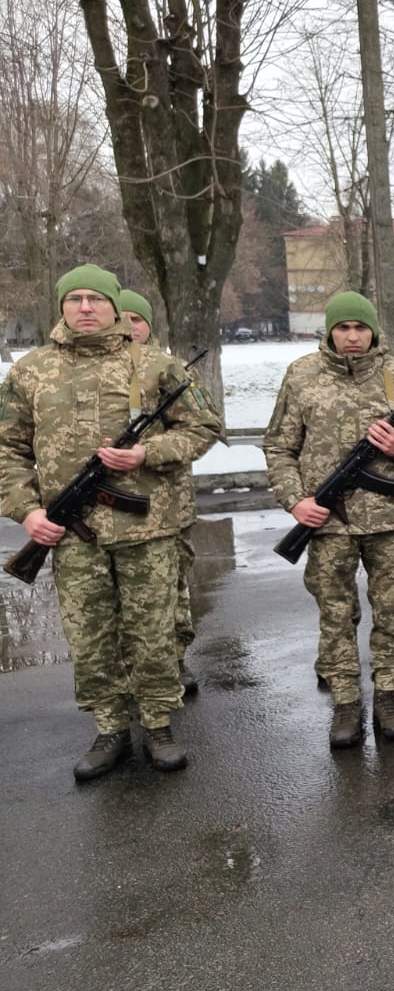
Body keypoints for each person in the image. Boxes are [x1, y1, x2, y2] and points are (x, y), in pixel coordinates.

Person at [0, 265, 221, 780]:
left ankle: (159, 724)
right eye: (74, 298)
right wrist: (28, 511)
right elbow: (7, 450)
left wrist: (148, 452)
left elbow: (204, 427)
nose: (85, 307)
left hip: (149, 530)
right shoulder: (30, 371)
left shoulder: (156, 365)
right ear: (61, 306)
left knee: (153, 633)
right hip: (71, 535)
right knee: (90, 637)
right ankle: (110, 730)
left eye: (96, 298)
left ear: (115, 306)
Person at [263, 291, 394, 749]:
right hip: (327, 522)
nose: (353, 336)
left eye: (361, 327)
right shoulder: (302, 375)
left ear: (374, 331)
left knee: (391, 609)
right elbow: (279, 447)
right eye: (343, 327)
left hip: (388, 520)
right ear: (330, 331)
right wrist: (296, 502)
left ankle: (387, 694)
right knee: (336, 613)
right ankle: (345, 699)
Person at [119, 288, 202, 696]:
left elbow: (198, 428)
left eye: (137, 319)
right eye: (122, 318)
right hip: (111, 505)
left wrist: (150, 451)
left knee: (173, 584)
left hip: (170, 500)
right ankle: (129, 666)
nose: (129, 327)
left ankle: (176, 656)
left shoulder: (169, 369)